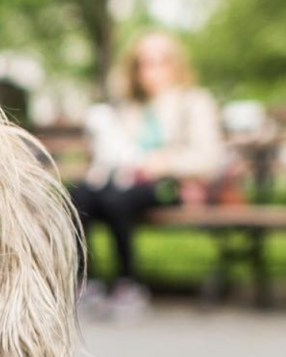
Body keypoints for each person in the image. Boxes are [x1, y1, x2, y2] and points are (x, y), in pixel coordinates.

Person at [71, 31, 223, 315]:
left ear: (175, 64)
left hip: (170, 185)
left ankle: (128, 283)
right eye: (142, 63)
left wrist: (161, 162)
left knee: (116, 199)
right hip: (126, 180)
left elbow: (207, 157)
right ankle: (87, 280)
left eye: (158, 62)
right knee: (79, 194)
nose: (149, 70)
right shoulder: (129, 107)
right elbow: (114, 150)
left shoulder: (193, 102)